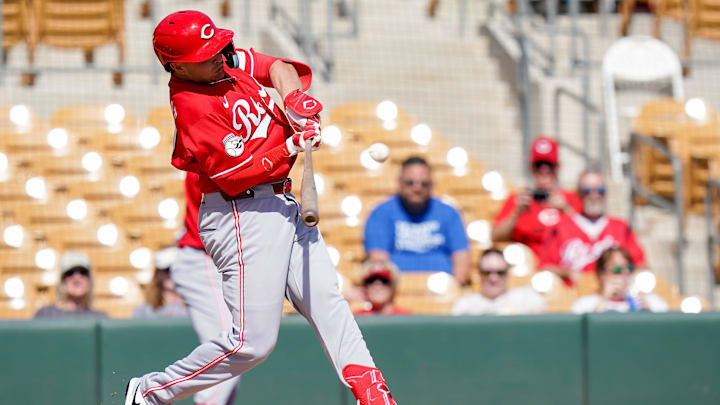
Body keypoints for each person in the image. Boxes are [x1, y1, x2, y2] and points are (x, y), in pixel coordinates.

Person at [125, 11, 397, 405]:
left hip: (280, 201)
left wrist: (293, 102)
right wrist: (290, 144)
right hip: (240, 212)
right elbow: (234, 176)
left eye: (217, 44)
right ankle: (151, 391)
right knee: (251, 344)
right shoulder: (192, 106)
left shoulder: (225, 61)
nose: (219, 54)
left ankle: (374, 395)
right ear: (177, 65)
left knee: (327, 301)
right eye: (206, 52)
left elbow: (280, 67)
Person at [165, 172, 240, 405]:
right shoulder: (210, 150)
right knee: (232, 350)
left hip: (217, 261)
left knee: (238, 354)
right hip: (203, 259)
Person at [364, 156, 471, 285]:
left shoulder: (449, 213)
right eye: (410, 183)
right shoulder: (381, 213)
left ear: (432, 184)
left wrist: (453, 290)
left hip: (441, 290)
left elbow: (461, 258)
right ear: (400, 183)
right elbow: (378, 261)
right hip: (396, 289)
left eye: (423, 184)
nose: (417, 188)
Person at [539, 169, 646, 285]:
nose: (594, 195)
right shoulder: (560, 227)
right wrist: (568, 273)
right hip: (573, 296)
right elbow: (544, 268)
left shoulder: (621, 227)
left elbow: (640, 266)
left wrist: (619, 271)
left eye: (600, 190)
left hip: (613, 297)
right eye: (587, 191)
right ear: (578, 193)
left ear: (606, 193)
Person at [492, 136, 581, 257]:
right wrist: (516, 213)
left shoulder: (571, 199)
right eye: (539, 165)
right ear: (531, 168)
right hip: (529, 266)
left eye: (549, 165)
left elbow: (588, 235)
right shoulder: (517, 200)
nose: (544, 170)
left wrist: (566, 209)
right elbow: (495, 236)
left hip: (564, 262)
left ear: (558, 168)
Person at [571, 247, 667, 313]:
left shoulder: (651, 301)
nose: (624, 274)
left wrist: (648, 313)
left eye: (629, 269)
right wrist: (603, 301)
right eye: (617, 270)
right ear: (601, 274)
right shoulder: (585, 304)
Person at [452, 248, 547, 315]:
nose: (493, 278)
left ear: (508, 273)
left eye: (500, 273)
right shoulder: (466, 305)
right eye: (487, 273)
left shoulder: (528, 299)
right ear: (479, 274)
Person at [34, 251, 108, 319]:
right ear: (62, 280)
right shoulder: (45, 315)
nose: (77, 277)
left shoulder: (99, 318)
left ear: (89, 280)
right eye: (70, 273)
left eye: (83, 272)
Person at [132, 248, 189, 319]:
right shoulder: (143, 311)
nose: (173, 273)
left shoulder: (196, 309)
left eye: (178, 269)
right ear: (158, 274)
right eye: (168, 269)